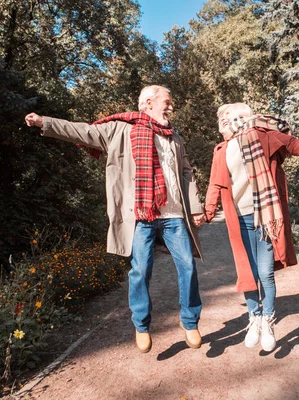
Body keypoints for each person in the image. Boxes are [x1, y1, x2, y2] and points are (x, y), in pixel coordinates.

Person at [24, 85, 207, 353]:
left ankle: (190, 321)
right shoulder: (121, 130)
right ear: (148, 104)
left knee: (188, 266)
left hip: (174, 213)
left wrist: (195, 205)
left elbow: (187, 172)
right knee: (141, 270)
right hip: (141, 216)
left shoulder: (174, 137)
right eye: (166, 102)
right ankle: (142, 325)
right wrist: (44, 122)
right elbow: (83, 131)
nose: (170, 106)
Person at [204, 103, 299, 352]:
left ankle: (268, 320)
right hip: (239, 219)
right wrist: (206, 214)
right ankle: (254, 318)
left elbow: (293, 144)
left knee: (265, 273)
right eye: (230, 117)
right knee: (247, 273)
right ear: (223, 123)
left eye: (242, 115)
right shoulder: (222, 150)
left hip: (265, 216)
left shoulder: (263, 135)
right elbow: (215, 185)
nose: (237, 121)